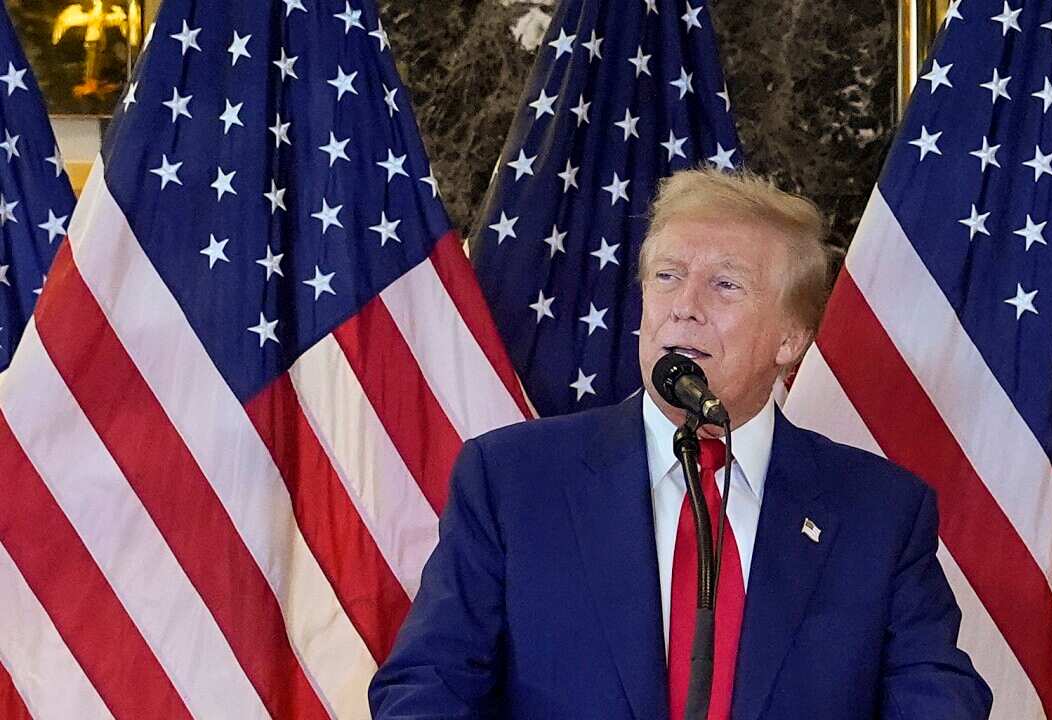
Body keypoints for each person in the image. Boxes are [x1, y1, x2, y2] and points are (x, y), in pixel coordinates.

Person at [369, 168, 993, 719]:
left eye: (725, 285)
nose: (684, 308)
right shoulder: (513, 480)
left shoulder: (880, 512)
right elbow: (427, 687)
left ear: (790, 339)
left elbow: (936, 698)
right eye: (667, 277)